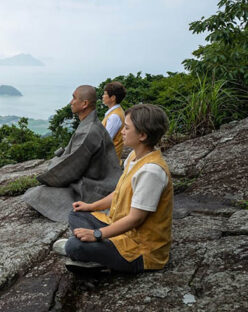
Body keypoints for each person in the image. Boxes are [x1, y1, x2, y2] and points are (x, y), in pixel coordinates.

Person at [54, 104, 172, 274]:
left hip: (140, 250)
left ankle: (92, 254)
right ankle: (98, 253)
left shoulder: (151, 171)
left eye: (126, 128)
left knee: (74, 246)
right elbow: (119, 192)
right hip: (120, 228)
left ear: (142, 135)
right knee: (77, 213)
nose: (122, 131)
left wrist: (96, 234)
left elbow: (135, 220)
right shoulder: (134, 157)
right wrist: (90, 207)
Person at [23, 85, 122, 222]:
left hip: (93, 190)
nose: (71, 102)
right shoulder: (90, 124)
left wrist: (51, 169)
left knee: (35, 194)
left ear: (84, 104)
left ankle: (84, 214)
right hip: (97, 182)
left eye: (74, 98)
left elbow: (69, 168)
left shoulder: (88, 131)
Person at [101, 81, 126, 160]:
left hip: (109, 161)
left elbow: (105, 140)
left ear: (113, 98)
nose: (103, 96)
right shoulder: (117, 111)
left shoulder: (114, 117)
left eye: (105, 94)